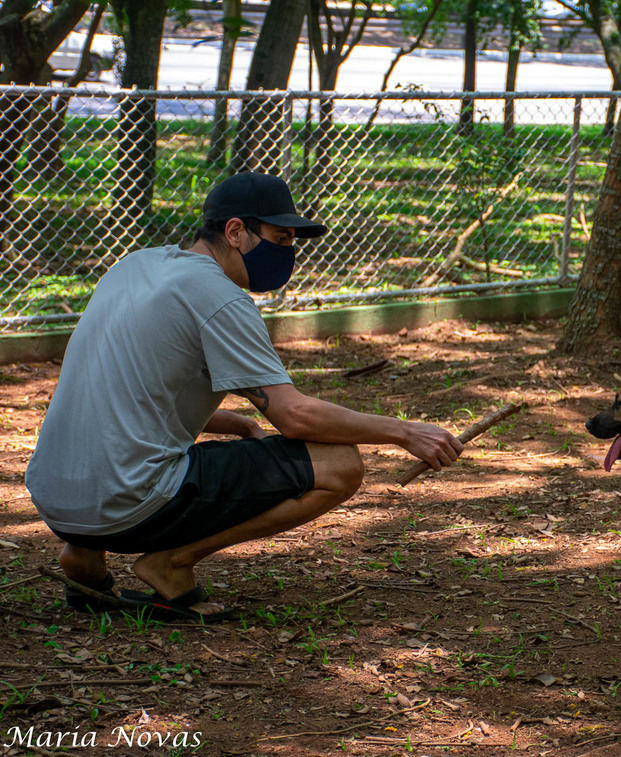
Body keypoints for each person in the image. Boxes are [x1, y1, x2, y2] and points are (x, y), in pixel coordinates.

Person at [25, 172, 463, 622]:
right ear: (236, 231)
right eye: (280, 237)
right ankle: (170, 562)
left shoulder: (136, 266)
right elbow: (294, 416)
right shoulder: (220, 298)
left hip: (56, 498)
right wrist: (404, 432)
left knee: (120, 447)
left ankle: (82, 557)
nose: (288, 252)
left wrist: (237, 422)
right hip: (125, 506)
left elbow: (128, 389)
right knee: (340, 465)